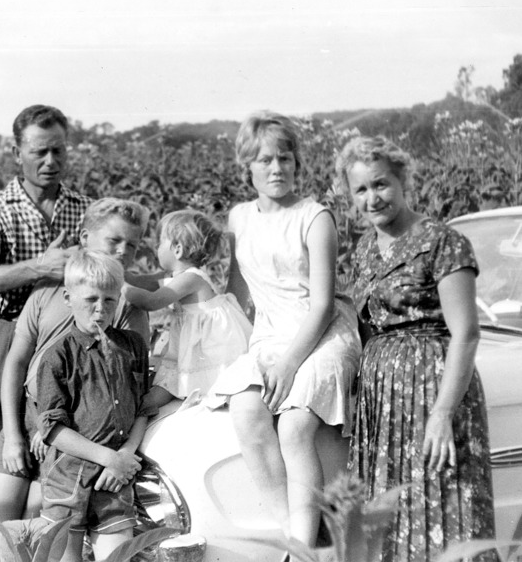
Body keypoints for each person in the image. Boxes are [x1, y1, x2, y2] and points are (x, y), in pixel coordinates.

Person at [335, 136, 497, 562]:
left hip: (433, 391)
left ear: (402, 180)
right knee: (390, 519)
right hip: (382, 402)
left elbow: (466, 333)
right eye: (361, 189)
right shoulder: (364, 250)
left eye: (381, 184)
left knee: (448, 510)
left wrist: (442, 413)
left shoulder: (443, 241)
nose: (372, 198)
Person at [210, 111, 361, 550]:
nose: (277, 168)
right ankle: (297, 536)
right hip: (269, 337)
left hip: (323, 334)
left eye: (285, 159)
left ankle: (301, 546)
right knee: (245, 408)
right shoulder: (239, 218)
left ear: (297, 163)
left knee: (294, 426)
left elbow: (322, 304)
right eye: (265, 160)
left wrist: (290, 364)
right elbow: (237, 293)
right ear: (248, 167)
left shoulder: (315, 217)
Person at [0, 197, 150, 562]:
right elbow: (17, 362)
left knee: (43, 515)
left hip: (80, 429)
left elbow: (128, 386)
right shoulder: (47, 292)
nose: (123, 251)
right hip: (30, 414)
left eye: (132, 245)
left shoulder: (124, 304)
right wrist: (14, 435)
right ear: (84, 238)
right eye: (114, 240)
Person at [0, 104, 91, 562]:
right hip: (10, 335)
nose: (50, 161)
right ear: (17, 153)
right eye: (39, 152)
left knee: (55, 454)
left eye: (58, 151)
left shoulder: (84, 210)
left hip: (70, 342)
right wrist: (41, 267)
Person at [34, 249, 155, 562]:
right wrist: (108, 457)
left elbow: (143, 406)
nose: (100, 310)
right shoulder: (57, 356)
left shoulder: (133, 346)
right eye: (90, 300)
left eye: (110, 300)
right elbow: (52, 429)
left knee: (118, 557)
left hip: (115, 479)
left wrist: (124, 455)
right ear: (68, 297)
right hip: (67, 480)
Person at [122, 209, 252, 408]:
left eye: (159, 243)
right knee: (168, 382)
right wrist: (121, 273)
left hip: (208, 348)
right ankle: (143, 406)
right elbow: (143, 282)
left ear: (177, 249)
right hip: (189, 344)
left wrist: (121, 288)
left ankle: (142, 407)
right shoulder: (177, 276)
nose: (156, 248)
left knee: (187, 382)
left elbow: (151, 302)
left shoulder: (191, 278)